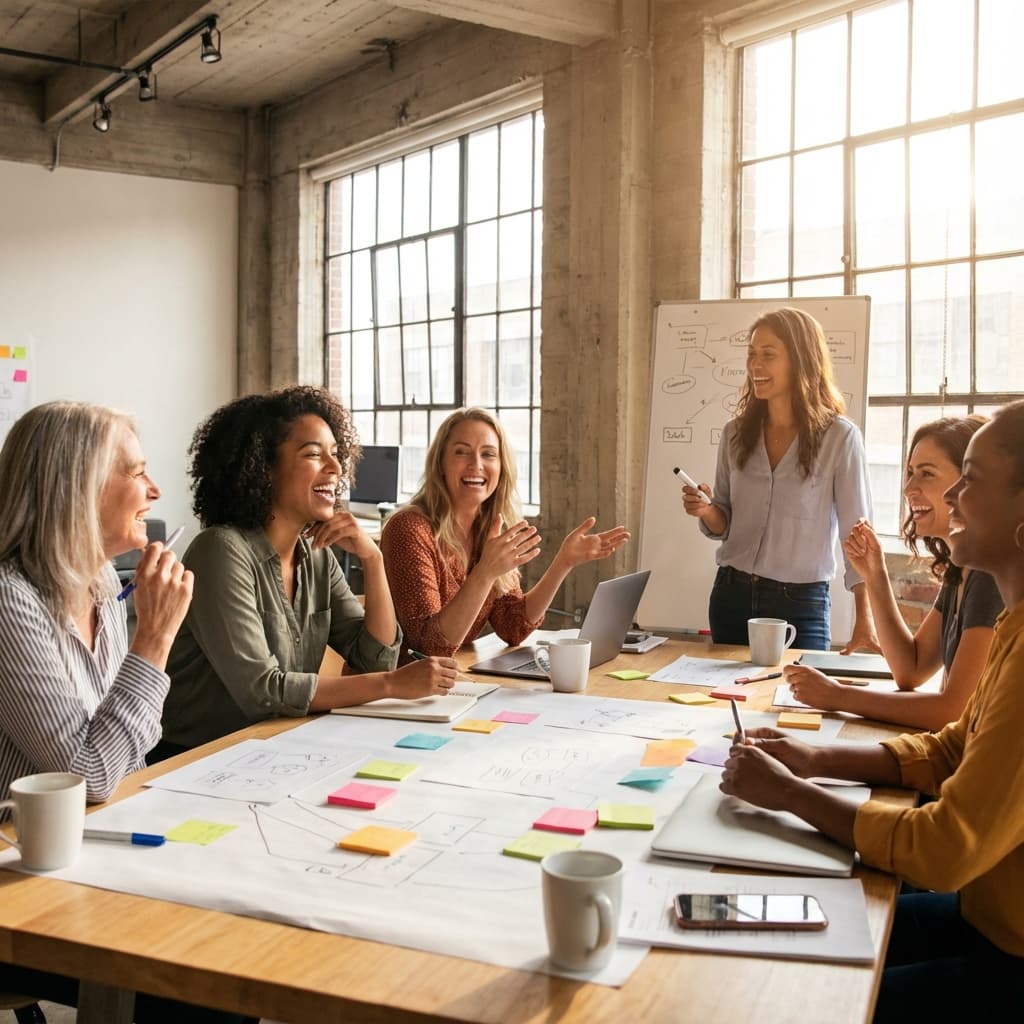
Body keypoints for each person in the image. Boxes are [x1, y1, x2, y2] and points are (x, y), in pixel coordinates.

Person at [720, 400, 1024, 1019]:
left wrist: (791, 794)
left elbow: (945, 848)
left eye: (971, 479)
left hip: (1009, 954)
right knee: (783, 932)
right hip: (987, 914)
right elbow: (949, 748)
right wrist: (813, 757)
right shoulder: (1014, 623)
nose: (952, 497)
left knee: (798, 999)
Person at [154, 386, 455, 760]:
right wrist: (393, 685)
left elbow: (373, 659)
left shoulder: (317, 555)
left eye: (335, 454)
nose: (336, 468)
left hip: (279, 747)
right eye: (314, 454)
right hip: (194, 759)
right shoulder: (220, 550)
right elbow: (263, 692)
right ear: (264, 468)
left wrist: (374, 560)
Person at [0, 401, 191, 805]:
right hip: (23, 851)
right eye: (138, 473)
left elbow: (129, 753)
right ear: (78, 487)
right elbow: (88, 776)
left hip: (110, 825)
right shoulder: (9, 597)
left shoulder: (101, 578)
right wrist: (155, 636)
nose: (155, 490)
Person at [785, 416, 1002, 730]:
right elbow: (911, 669)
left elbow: (953, 710)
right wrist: (875, 575)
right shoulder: (962, 568)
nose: (909, 488)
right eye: (910, 473)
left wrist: (837, 696)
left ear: (969, 482)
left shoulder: (989, 574)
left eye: (926, 474)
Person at [681, 306, 877, 652]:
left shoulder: (839, 438)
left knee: (797, 705)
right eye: (752, 355)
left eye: (768, 355)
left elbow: (856, 536)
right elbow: (724, 521)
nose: (755, 365)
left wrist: (866, 621)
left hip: (800, 606)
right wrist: (707, 509)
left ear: (801, 360)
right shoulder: (735, 434)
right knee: (720, 701)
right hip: (731, 596)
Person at [379, 407, 630, 659]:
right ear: (441, 463)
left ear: (501, 467)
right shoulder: (410, 529)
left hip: (452, 681)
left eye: (488, 454)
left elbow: (514, 627)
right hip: (396, 690)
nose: (476, 465)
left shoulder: (491, 528)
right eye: (461, 452)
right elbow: (428, 647)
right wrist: (485, 571)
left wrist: (564, 562)